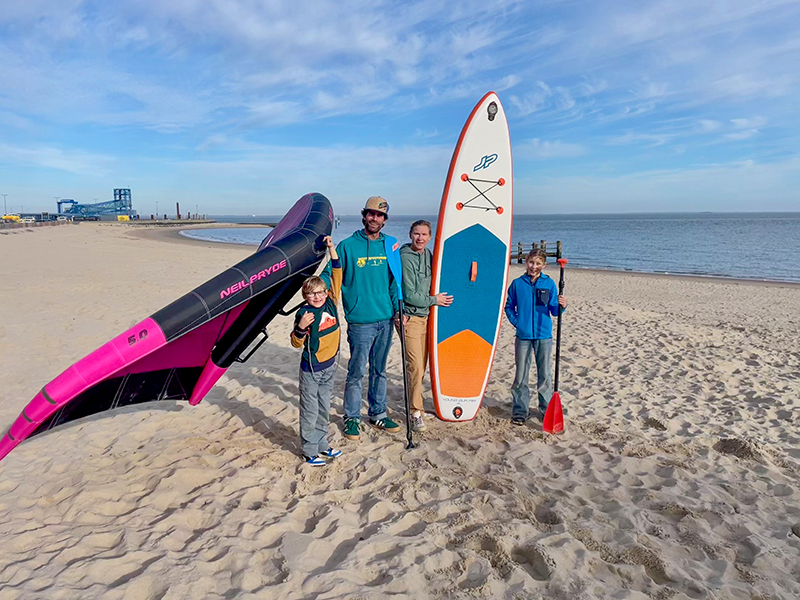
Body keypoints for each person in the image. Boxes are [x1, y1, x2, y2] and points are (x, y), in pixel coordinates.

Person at [321, 196, 402, 441]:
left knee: (380, 370)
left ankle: (377, 413)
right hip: (360, 321)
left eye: (379, 215)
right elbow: (330, 274)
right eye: (371, 214)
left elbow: (395, 281)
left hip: (386, 319)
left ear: (385, 220)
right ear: (364, 215)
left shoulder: (391, 245)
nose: (374, 218)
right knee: (356, 372)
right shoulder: (347, 246)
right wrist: (318, 291)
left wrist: (399, 310)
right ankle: (352, 417)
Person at [290, 236, 344, 466]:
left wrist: (331, 248)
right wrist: (301, 328)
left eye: (321, 292)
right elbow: (295, 342)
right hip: (311, 369)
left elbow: (337, 271)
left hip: (330, 365)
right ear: (306, 296)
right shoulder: (305, 313)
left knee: (324, 407)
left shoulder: (331, 302)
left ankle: (323, 444)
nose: (318, 296)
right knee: (310, 410)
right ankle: (309, 450)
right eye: (312, 294)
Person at [399, 220, 452, 432]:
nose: (420, 238)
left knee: (422, 366)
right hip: (411, 318)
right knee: (416, 366)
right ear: (410, 235)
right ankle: (415, 412)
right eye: (416, 234)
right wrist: (434, 300)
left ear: (430, 237)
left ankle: (417, 401)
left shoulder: (429, 256)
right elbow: (410, 295)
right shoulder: (405, 257)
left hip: (430, 318)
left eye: (424, 235)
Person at [504, 249, 567, 424]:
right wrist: (517, 322)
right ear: (526, 262)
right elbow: (509, 306)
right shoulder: (517, 284)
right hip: (523, 335)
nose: (534, 266)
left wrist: (562, 305)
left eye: (538, 263)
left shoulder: (549, 284)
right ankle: (519, 410)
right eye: (531, 262)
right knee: (521, 374)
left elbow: (555, 311)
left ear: (544, 265)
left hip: (543, 335)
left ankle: (546, 409)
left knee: (544, 374)